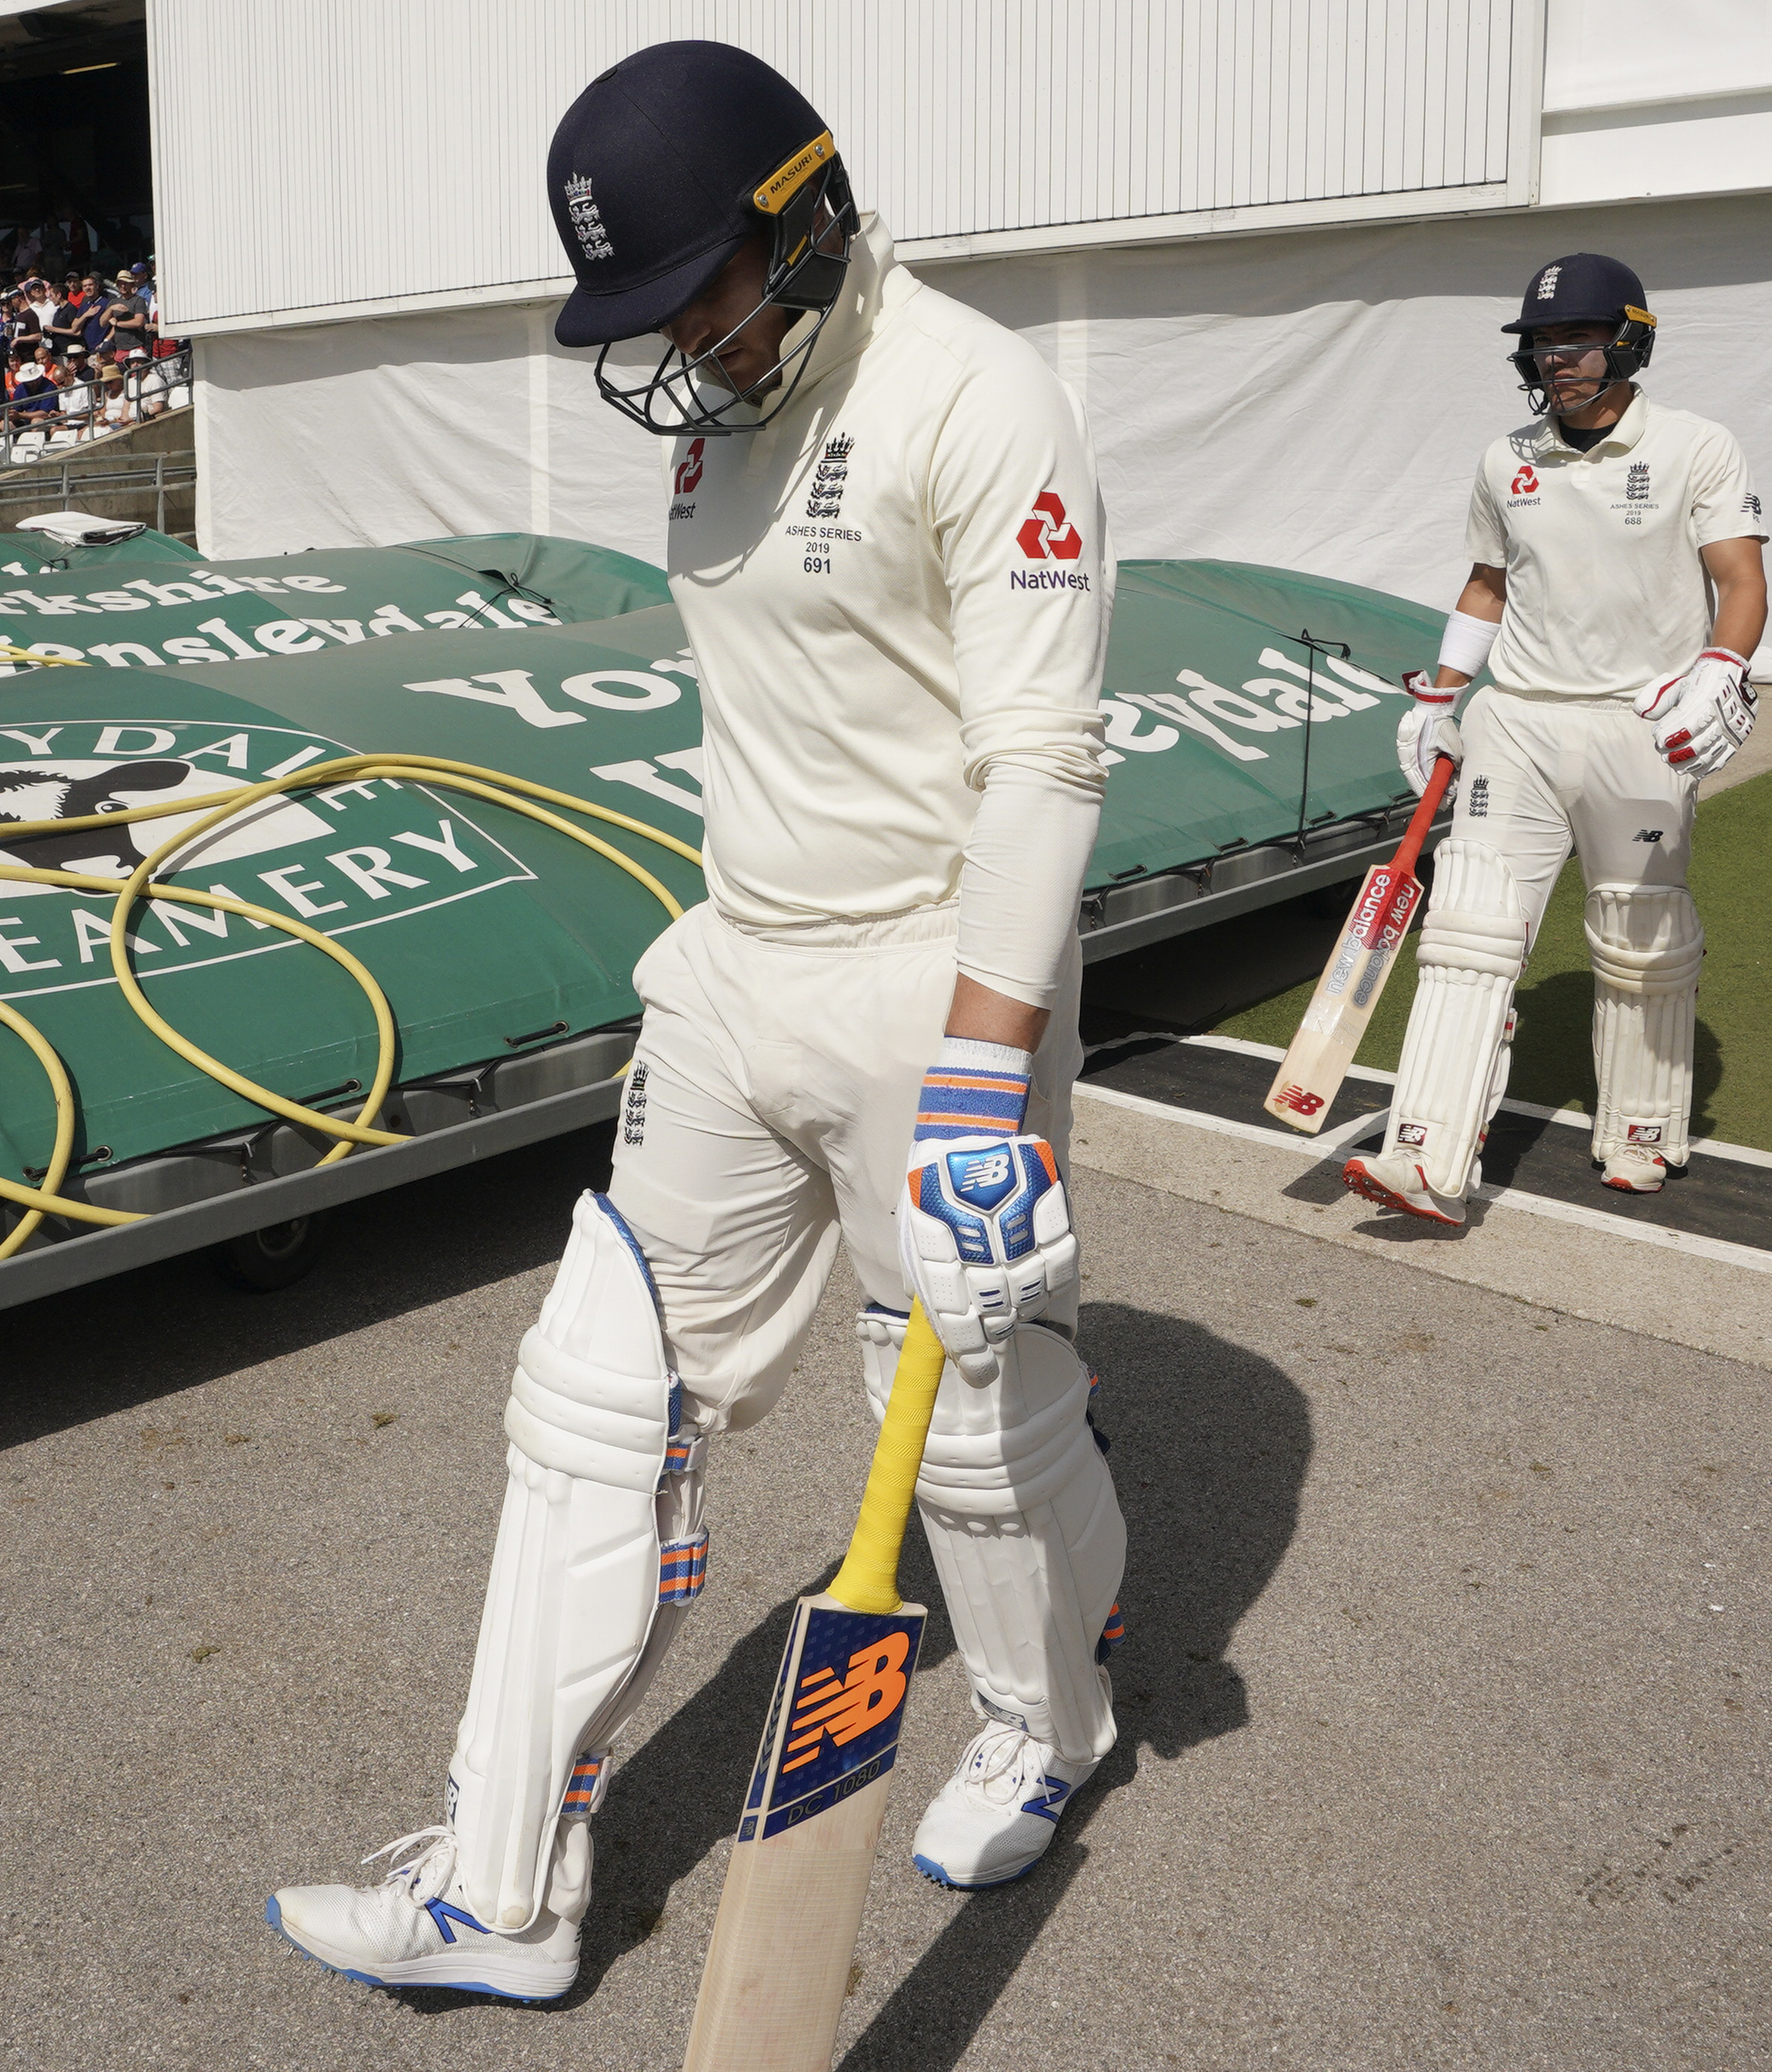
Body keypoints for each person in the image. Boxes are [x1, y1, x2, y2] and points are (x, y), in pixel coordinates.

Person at [266, 42, 1124, 1998]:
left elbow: (1046, 760)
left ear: (802, 216)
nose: (679, 348)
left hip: (937, 978)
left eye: (697, 297)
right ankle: (504, 1887)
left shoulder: (978, 395)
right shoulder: (725, 398)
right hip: (739, 964)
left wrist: (990, 1072)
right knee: (586, 1399)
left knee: (982, 1429)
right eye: (642, 317)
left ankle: (1046, 1724)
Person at [1344, 254, 1770, 1223]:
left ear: (1628, 339)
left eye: (1572, 340)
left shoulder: (1699, 446)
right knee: (1469, 928)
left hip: (1640, 726)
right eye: (1540, 344)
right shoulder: (1508, 457)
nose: (1553, 360)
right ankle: (1429, 1157)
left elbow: (1740, 580)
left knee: (1639, 934)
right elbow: (1488, 583)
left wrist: (1721, 668)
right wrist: (1440, 695)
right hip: (1520, 722)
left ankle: (1643, 1134)